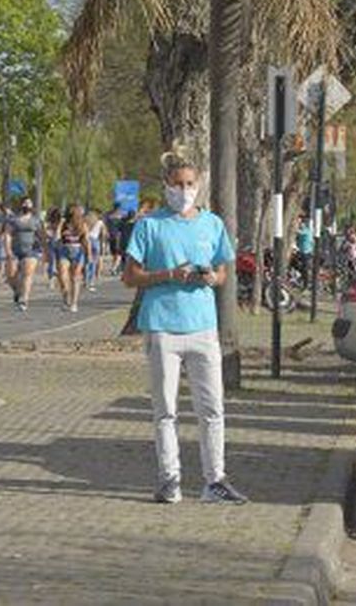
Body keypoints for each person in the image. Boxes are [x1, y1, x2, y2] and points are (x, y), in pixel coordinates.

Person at [122, 149, 248, 505]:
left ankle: (215, 480)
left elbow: (224, 270)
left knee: (212, 408)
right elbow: (130, 276)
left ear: (199, 184)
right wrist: (168, 275)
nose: (185, 190)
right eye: (178, 184)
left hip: (203, 327)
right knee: (166, 409)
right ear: (166, 186)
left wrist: (211, 276)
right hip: (162, 326)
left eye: (190, 184)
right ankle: (170, 479)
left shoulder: (212, 224)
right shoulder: (150, 225)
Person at [5, 197, 43, 311]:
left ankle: (24, 300)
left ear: (32, 206)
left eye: (29, 203)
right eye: (24, 203)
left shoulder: (36, 220)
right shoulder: (13, 220)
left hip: (31, 250)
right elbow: (7, 235)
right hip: (15, 250)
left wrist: (44, 250)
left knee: (27, 274)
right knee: (11, 276)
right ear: (20, 205)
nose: (26, 205)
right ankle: (17, 291)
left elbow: (42, 235)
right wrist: (8, 250)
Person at [56, 204, 92, 312]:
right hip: (64, 251)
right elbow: (57, 237)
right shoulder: (64, 224)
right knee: (62, 274)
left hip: (78, 251)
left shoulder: (83, 225)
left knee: (75, 277)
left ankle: (74, 303)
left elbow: (86, 241)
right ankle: (66, 294)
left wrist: (88, 254)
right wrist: (60, 224)